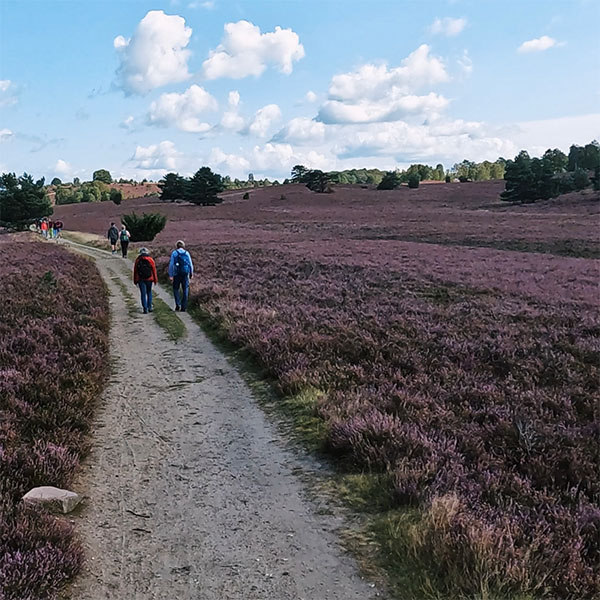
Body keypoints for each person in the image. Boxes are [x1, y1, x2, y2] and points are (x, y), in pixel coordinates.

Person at [168, 240, 193, 312]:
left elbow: (171, 264)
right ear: (183, 246)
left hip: (177, 273)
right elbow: (190, 264)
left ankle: (178, 304)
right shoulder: (187, 253)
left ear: (177, 246)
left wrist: (171, 275)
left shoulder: (174, 253)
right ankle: (184, 306)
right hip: (185, 273)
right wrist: (191, 273)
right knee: (185, 289)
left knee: (176, 289)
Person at [133, 247, 158, 314]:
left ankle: (145, 308)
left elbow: (135, 271)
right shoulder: (150, 259)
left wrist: (135, 280)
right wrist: (155, 280)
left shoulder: (138, 260)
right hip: (150, 279)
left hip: (141, 279)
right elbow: (154, 270)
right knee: (149, 292)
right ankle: (149, 307)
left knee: (143, 294)